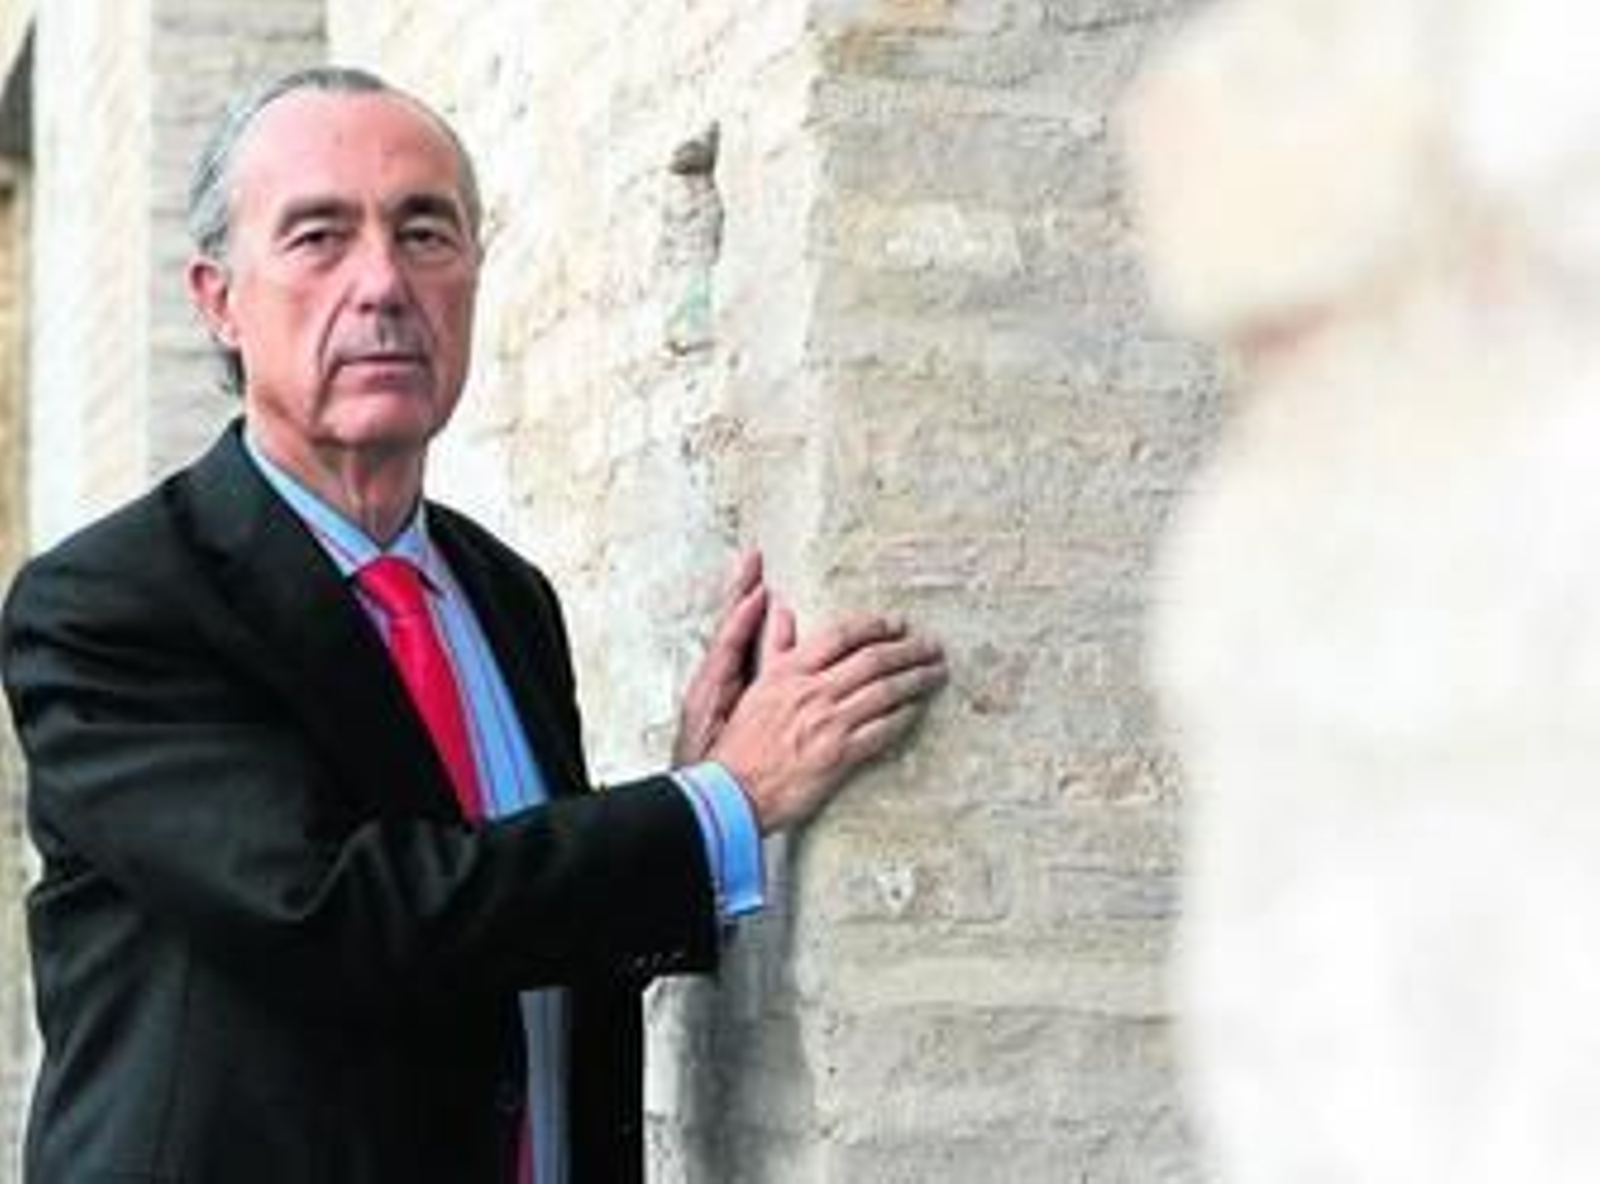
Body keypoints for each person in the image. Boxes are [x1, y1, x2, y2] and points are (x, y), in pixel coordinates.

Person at [0, 66, 947, 1184]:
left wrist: (682, 787)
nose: (382, 283)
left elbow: (513, 939)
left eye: (424, 233)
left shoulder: (506, 597)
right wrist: (718, 805)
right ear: (219, 299)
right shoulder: (112, 603)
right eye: (318, 237)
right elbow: (339, 915)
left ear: (473, 274)